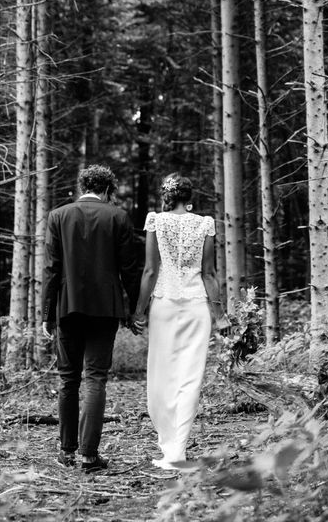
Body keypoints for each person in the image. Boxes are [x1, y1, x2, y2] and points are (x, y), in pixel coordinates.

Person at [42, 164, 141, 473]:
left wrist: (47, 314)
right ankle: (88, 456)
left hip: (67, 307)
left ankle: (66, 452)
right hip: (105, 308)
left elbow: (52, 269)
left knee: (68, 379)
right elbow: (130, 269)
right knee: (96, 378)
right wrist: (135, 308)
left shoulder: (58, 216)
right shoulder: (118, 217)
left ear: (80, 185)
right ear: (107, 189)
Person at [130, 173, 228, 470]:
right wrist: (220, 316)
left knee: (161, 376)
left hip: (164, 304)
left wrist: (138, 311)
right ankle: (177, 452)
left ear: (167, 195)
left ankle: (169, 445)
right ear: (189, 196)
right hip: (197, 306)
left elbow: (150, 271)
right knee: (190, 378)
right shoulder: (205, 223)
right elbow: (209, 274)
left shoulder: (156, 221)